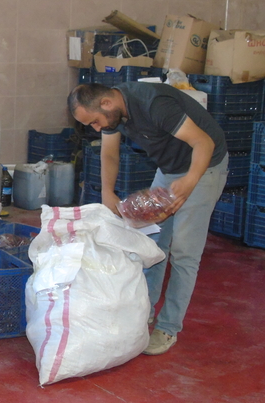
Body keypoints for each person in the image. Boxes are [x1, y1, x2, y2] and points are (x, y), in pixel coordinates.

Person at [68, 82, 228, 355]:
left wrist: (190, 181)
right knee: (153, 243)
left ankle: (168, 327)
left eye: (94, 122)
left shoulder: (154, 104)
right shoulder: (112, 114)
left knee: (184, 253)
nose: (96, 128)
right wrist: (107, 191)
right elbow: (109, 153)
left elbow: (204, 142)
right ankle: (145, 311)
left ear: (107, 103)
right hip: (170, 169)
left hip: (203, 167)